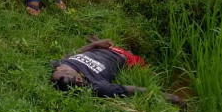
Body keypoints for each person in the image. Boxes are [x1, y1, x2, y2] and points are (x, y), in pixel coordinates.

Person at [51, 37, 184, 105]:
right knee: (153, 74)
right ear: (79, 79)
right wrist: (171, 97)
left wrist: (95, 44)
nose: (60, 66)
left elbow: (66, 56)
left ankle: (97, 40)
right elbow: (134, 89)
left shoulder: (62, 65)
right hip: (123, 56)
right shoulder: (98, 86)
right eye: (63, 69)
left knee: (98, 41)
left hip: (100, 48)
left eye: (58, 69)